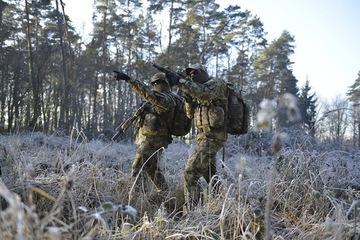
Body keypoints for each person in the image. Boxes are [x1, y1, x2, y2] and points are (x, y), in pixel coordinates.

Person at [171, 63, 228, 213]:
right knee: (210, 174)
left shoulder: (216, 84)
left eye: (195, 72)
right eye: (190, 74)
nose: (192, 76)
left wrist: (180, 82)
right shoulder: (196, 91)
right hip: (202, 138)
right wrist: (189, 100)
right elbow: (190, 114)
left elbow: (204, 93)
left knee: (190, 174)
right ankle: (222, 204)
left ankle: (193, 213)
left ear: (203, 72)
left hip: (213, 137)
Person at [114, 71, 177, 193]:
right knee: (152, 168)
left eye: (156, 83)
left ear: (162, 83)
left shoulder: (165, 98)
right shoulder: (163, 98)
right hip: (155, 138)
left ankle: (137, 198)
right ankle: (165, 193)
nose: (154, 85)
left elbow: (146, 92)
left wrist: (129, 79)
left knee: (137, 167)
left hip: (155, 139)